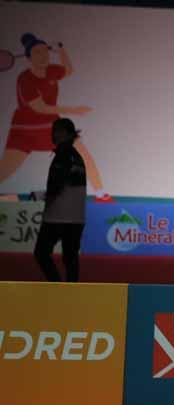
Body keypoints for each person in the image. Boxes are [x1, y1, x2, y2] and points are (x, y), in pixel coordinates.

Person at [1, 33, 109, 201]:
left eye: (45, 51)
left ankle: (101, 194)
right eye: (37, 52)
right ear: (28, 58)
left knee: (83, 154)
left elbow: (69, 69)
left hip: (52, 128)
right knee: (5, 170)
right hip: (25, 130)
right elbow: (41, 108)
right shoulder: (25, 79)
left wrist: (61, 51)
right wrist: (74, 110)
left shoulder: (52, 70)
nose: (43, 55)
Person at [33, 118, 87, 282]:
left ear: (67, 133)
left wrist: (38, 195)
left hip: (58, 216)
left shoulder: (63, 155)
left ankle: (57, 288)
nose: (53, 133)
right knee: (70, 258)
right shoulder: (77, 157)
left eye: (57, 130)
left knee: (41, 253)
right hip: (76, 218)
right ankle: (71, 294)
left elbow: (56, 186)